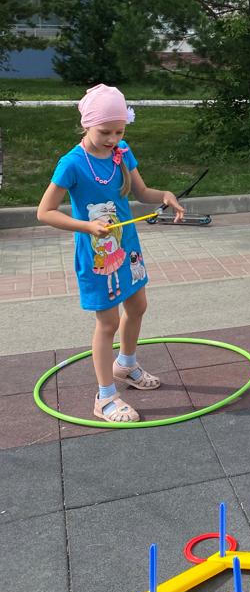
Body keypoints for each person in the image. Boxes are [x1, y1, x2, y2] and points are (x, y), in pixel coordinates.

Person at [36, 84, 184, 423]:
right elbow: (45, 212)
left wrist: (165, 195)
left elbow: (142, 192)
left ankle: (126, 365)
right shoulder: (72, 163)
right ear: (87, 124)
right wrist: (87, 226)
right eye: (105, 132)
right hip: (97, 254)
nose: (113, 139)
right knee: (108, 322)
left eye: (119, 131)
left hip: (127, 247)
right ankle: (104, 397)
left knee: (138, 305)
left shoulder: (122, 151)